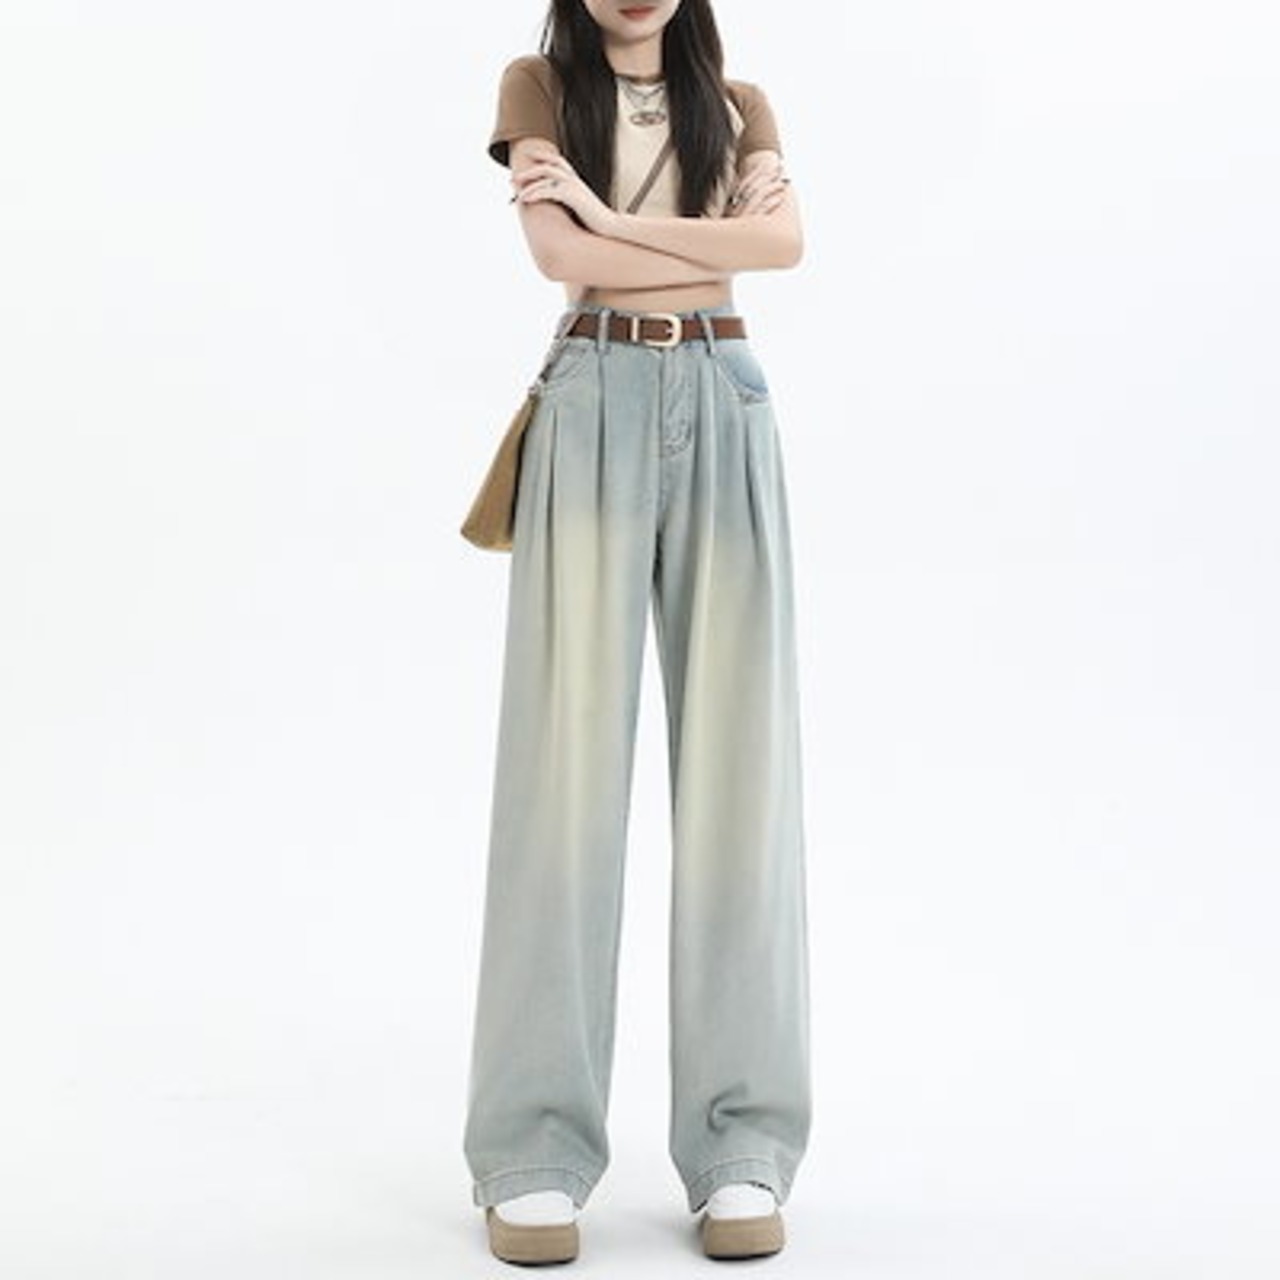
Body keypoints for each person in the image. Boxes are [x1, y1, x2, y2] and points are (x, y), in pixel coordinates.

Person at [462, 0, 811, 1264]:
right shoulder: (537, 89)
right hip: (593, 392)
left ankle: (741, 1141)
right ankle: (532, 1146)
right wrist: (693, 243)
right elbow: (555, 261)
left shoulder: (741, 105)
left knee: (740, 783)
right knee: (561, 778)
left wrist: (608, 223)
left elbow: (781, 248)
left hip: (725, 392)